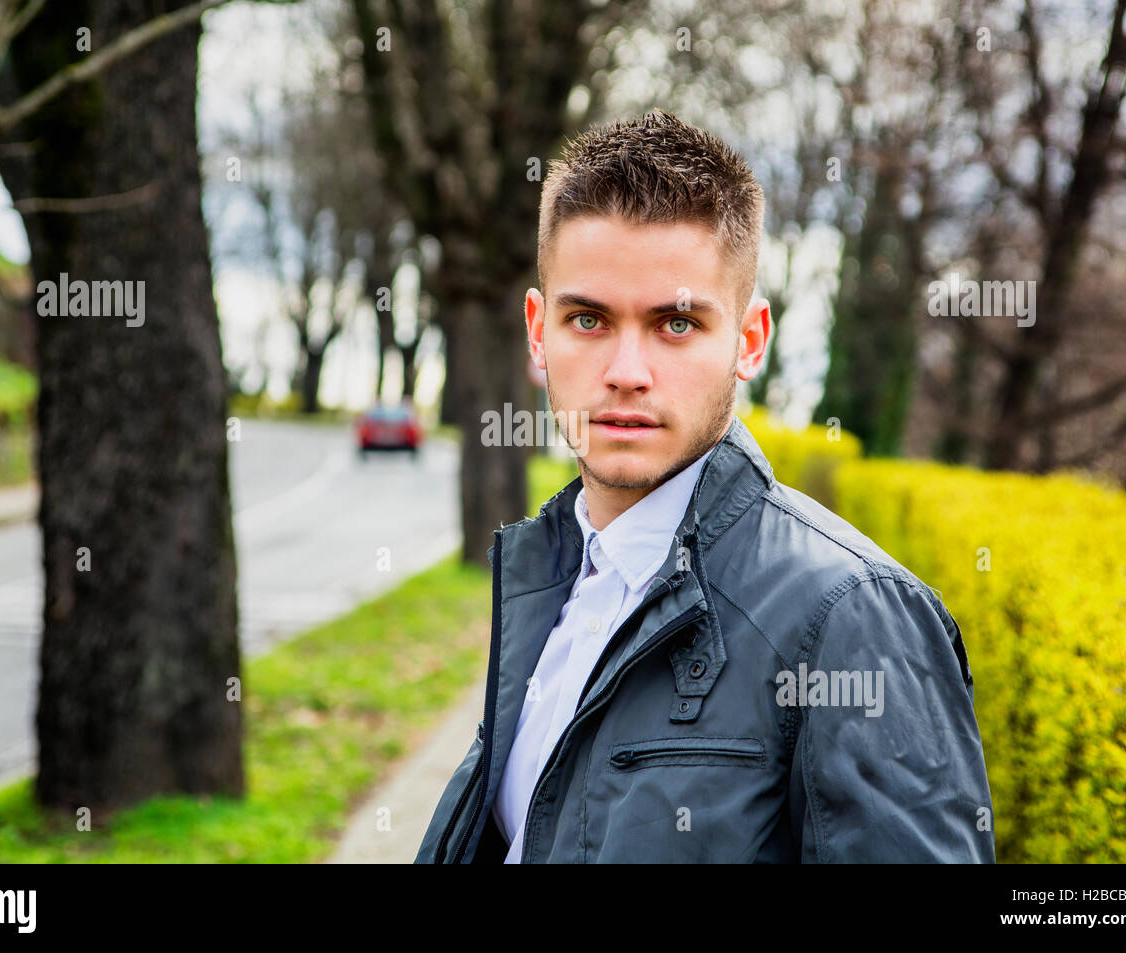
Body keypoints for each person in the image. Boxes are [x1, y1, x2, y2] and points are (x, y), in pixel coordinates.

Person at [415, 109, 994, 863]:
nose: (626, 371)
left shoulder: (854, 617)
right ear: (537, 332)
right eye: (588, 319)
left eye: (676, 324)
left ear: (749, 340)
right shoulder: (554, 575)